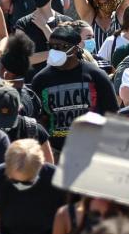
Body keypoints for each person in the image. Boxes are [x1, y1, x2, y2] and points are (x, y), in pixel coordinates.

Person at [30, 24, 118, 154]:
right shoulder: (41, 80)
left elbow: (112, 113)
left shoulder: (95, 75)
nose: (55, 50)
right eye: (52, 46)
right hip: (56, 152)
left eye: (62, 47)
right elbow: (37, 119)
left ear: (76, 49)